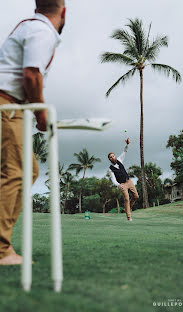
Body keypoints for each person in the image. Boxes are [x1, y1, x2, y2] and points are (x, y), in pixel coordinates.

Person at [0, 0, 66, 265]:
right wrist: (42, 115)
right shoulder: (42, 30)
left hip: (12, 105)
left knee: (28, 169)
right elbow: (31, 75)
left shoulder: (32, 26)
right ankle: (1, 250)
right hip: (7, 104)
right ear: (63, 12)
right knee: (16, 170)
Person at [108, 138, 139, 221]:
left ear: (115, 156)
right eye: (110, 157)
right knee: (126, 199)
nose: (112, 158)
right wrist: (118, 185)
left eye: (113, 156)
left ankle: (127, 208)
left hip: (129, 181)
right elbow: (113, 179)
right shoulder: (110, 169)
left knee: (136, 196)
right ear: (109, 159)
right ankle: (129, 217)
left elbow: (125, 151)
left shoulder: (120, 160)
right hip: (122, 185)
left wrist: (127, 144)